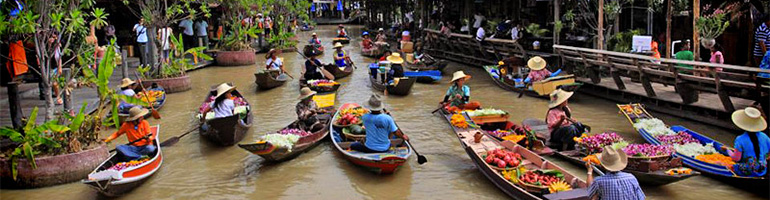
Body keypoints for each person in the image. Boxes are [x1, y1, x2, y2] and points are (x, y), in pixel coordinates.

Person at [723, 107, 769, 177]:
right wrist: (763, 158)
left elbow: (736, 158)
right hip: (763, 169)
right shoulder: (764, 136)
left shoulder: (740, 139)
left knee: (724, 164)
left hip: (748, 171)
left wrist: (727, 150)